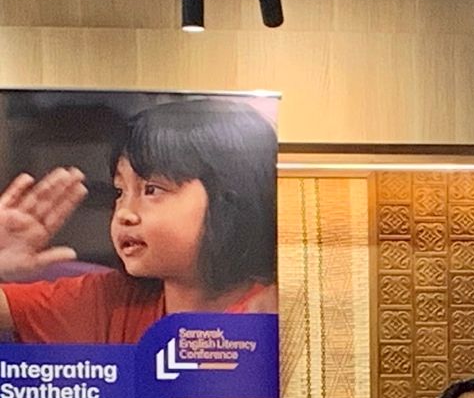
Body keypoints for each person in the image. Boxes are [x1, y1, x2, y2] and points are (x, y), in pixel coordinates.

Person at [0, 97, 279, 344]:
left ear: (231, 197)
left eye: (152, 190)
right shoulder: (109, 301)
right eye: (120, 192)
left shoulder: (276, 310)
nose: (124, 213)